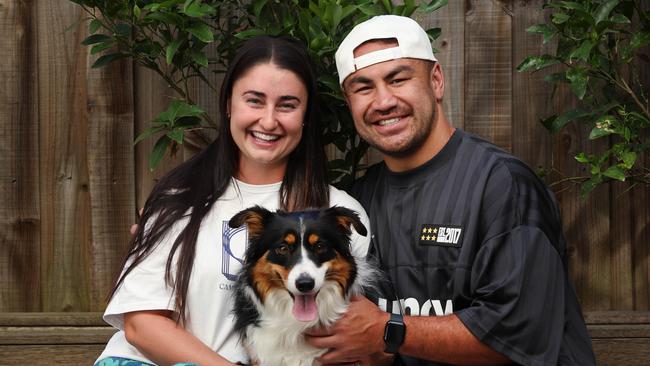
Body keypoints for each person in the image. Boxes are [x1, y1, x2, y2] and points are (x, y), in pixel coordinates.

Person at [305, 15, 596, 365]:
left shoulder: (501, 185)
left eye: (398, 79)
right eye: (363, 87)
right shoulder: (355, 204)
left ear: (436, 81)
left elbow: (518, 334)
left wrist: (388, 331)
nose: (383, 101)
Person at [94, 35, 370, 366]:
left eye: (287, 104)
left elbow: (346, 335)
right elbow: (141, 326)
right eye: (254, 100)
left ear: (306, 114)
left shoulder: (337, 212)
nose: (268, 121)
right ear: (228, 104)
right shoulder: (178, 201)